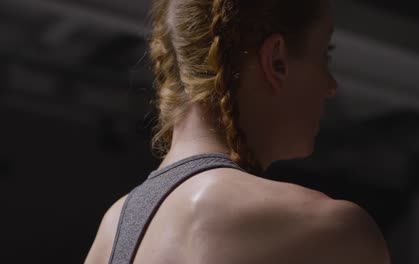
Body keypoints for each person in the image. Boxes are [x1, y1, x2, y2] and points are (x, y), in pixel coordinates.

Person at [85, 0, 391, 263]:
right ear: (277, 61)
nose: (331, 86)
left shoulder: (111, 232)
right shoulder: (334, 232)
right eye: (325, 55)